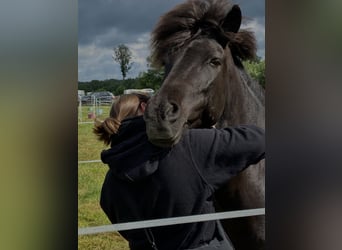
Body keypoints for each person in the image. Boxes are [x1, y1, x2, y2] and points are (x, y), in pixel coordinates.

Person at [93, 93, 265, 250]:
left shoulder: (110, 186)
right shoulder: (189, 147)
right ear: (146, 108)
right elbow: (258, 140)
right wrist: (214, 135)